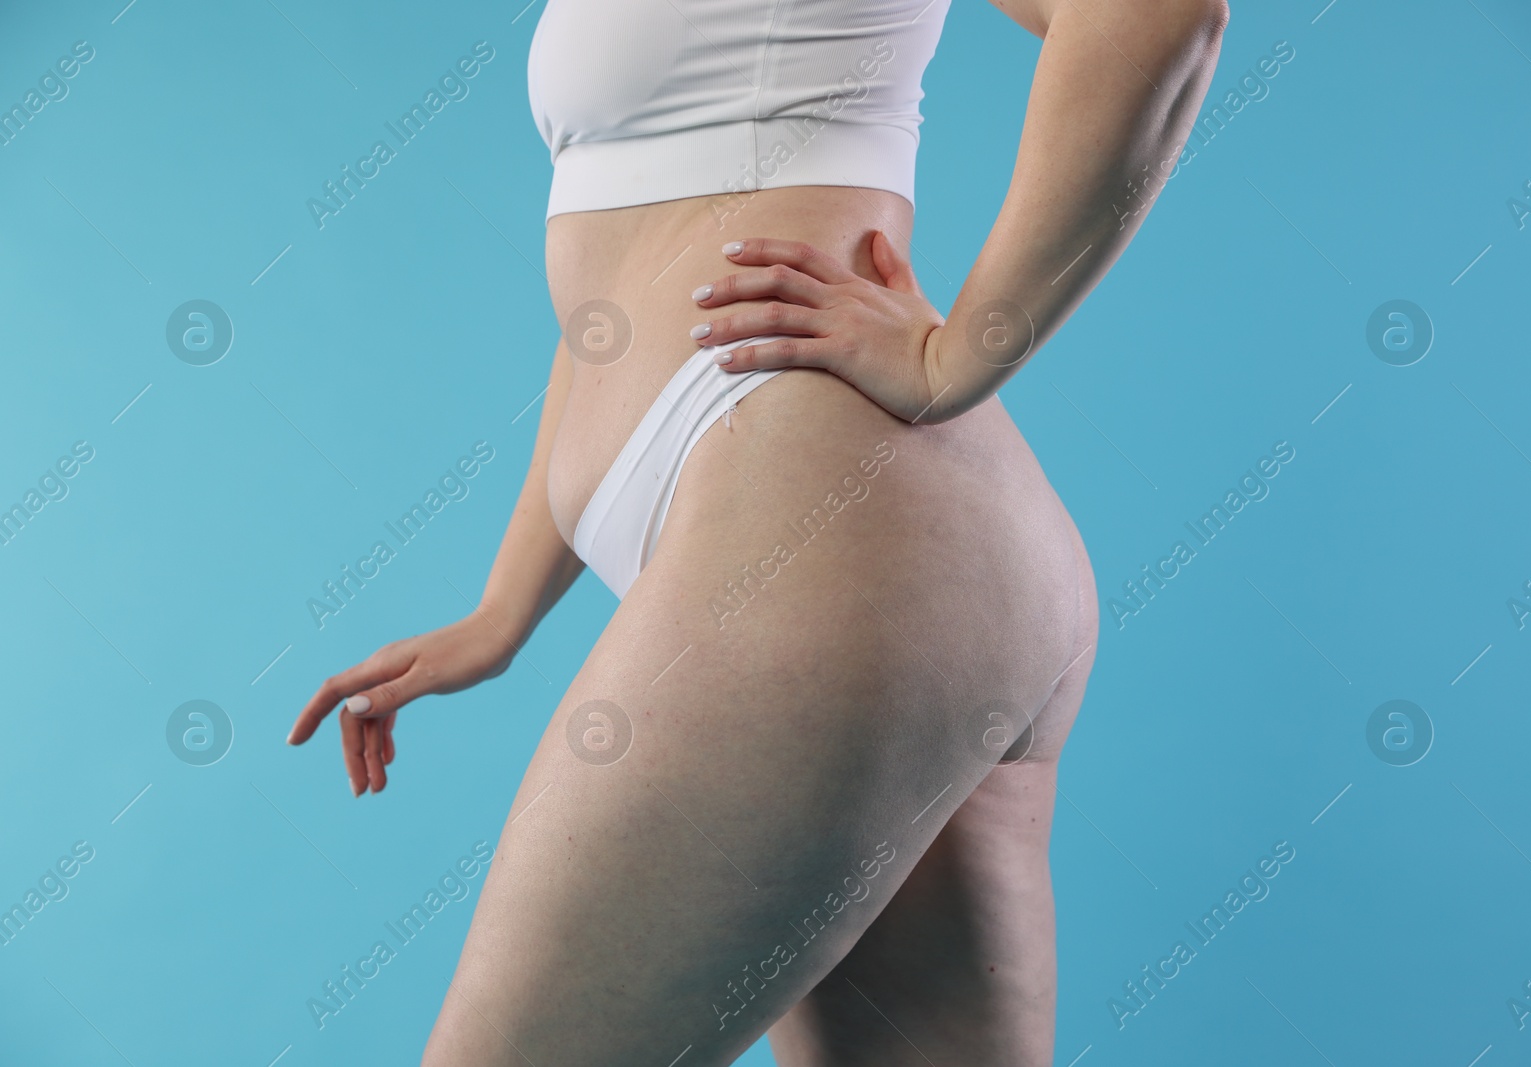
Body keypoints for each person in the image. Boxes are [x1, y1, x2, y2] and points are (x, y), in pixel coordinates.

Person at [287, 0, 1227, 1061]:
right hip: (883, 555)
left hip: (836, 540)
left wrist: (966, 350)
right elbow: (621, 279)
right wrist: (504, 610)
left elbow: (1154, 12)